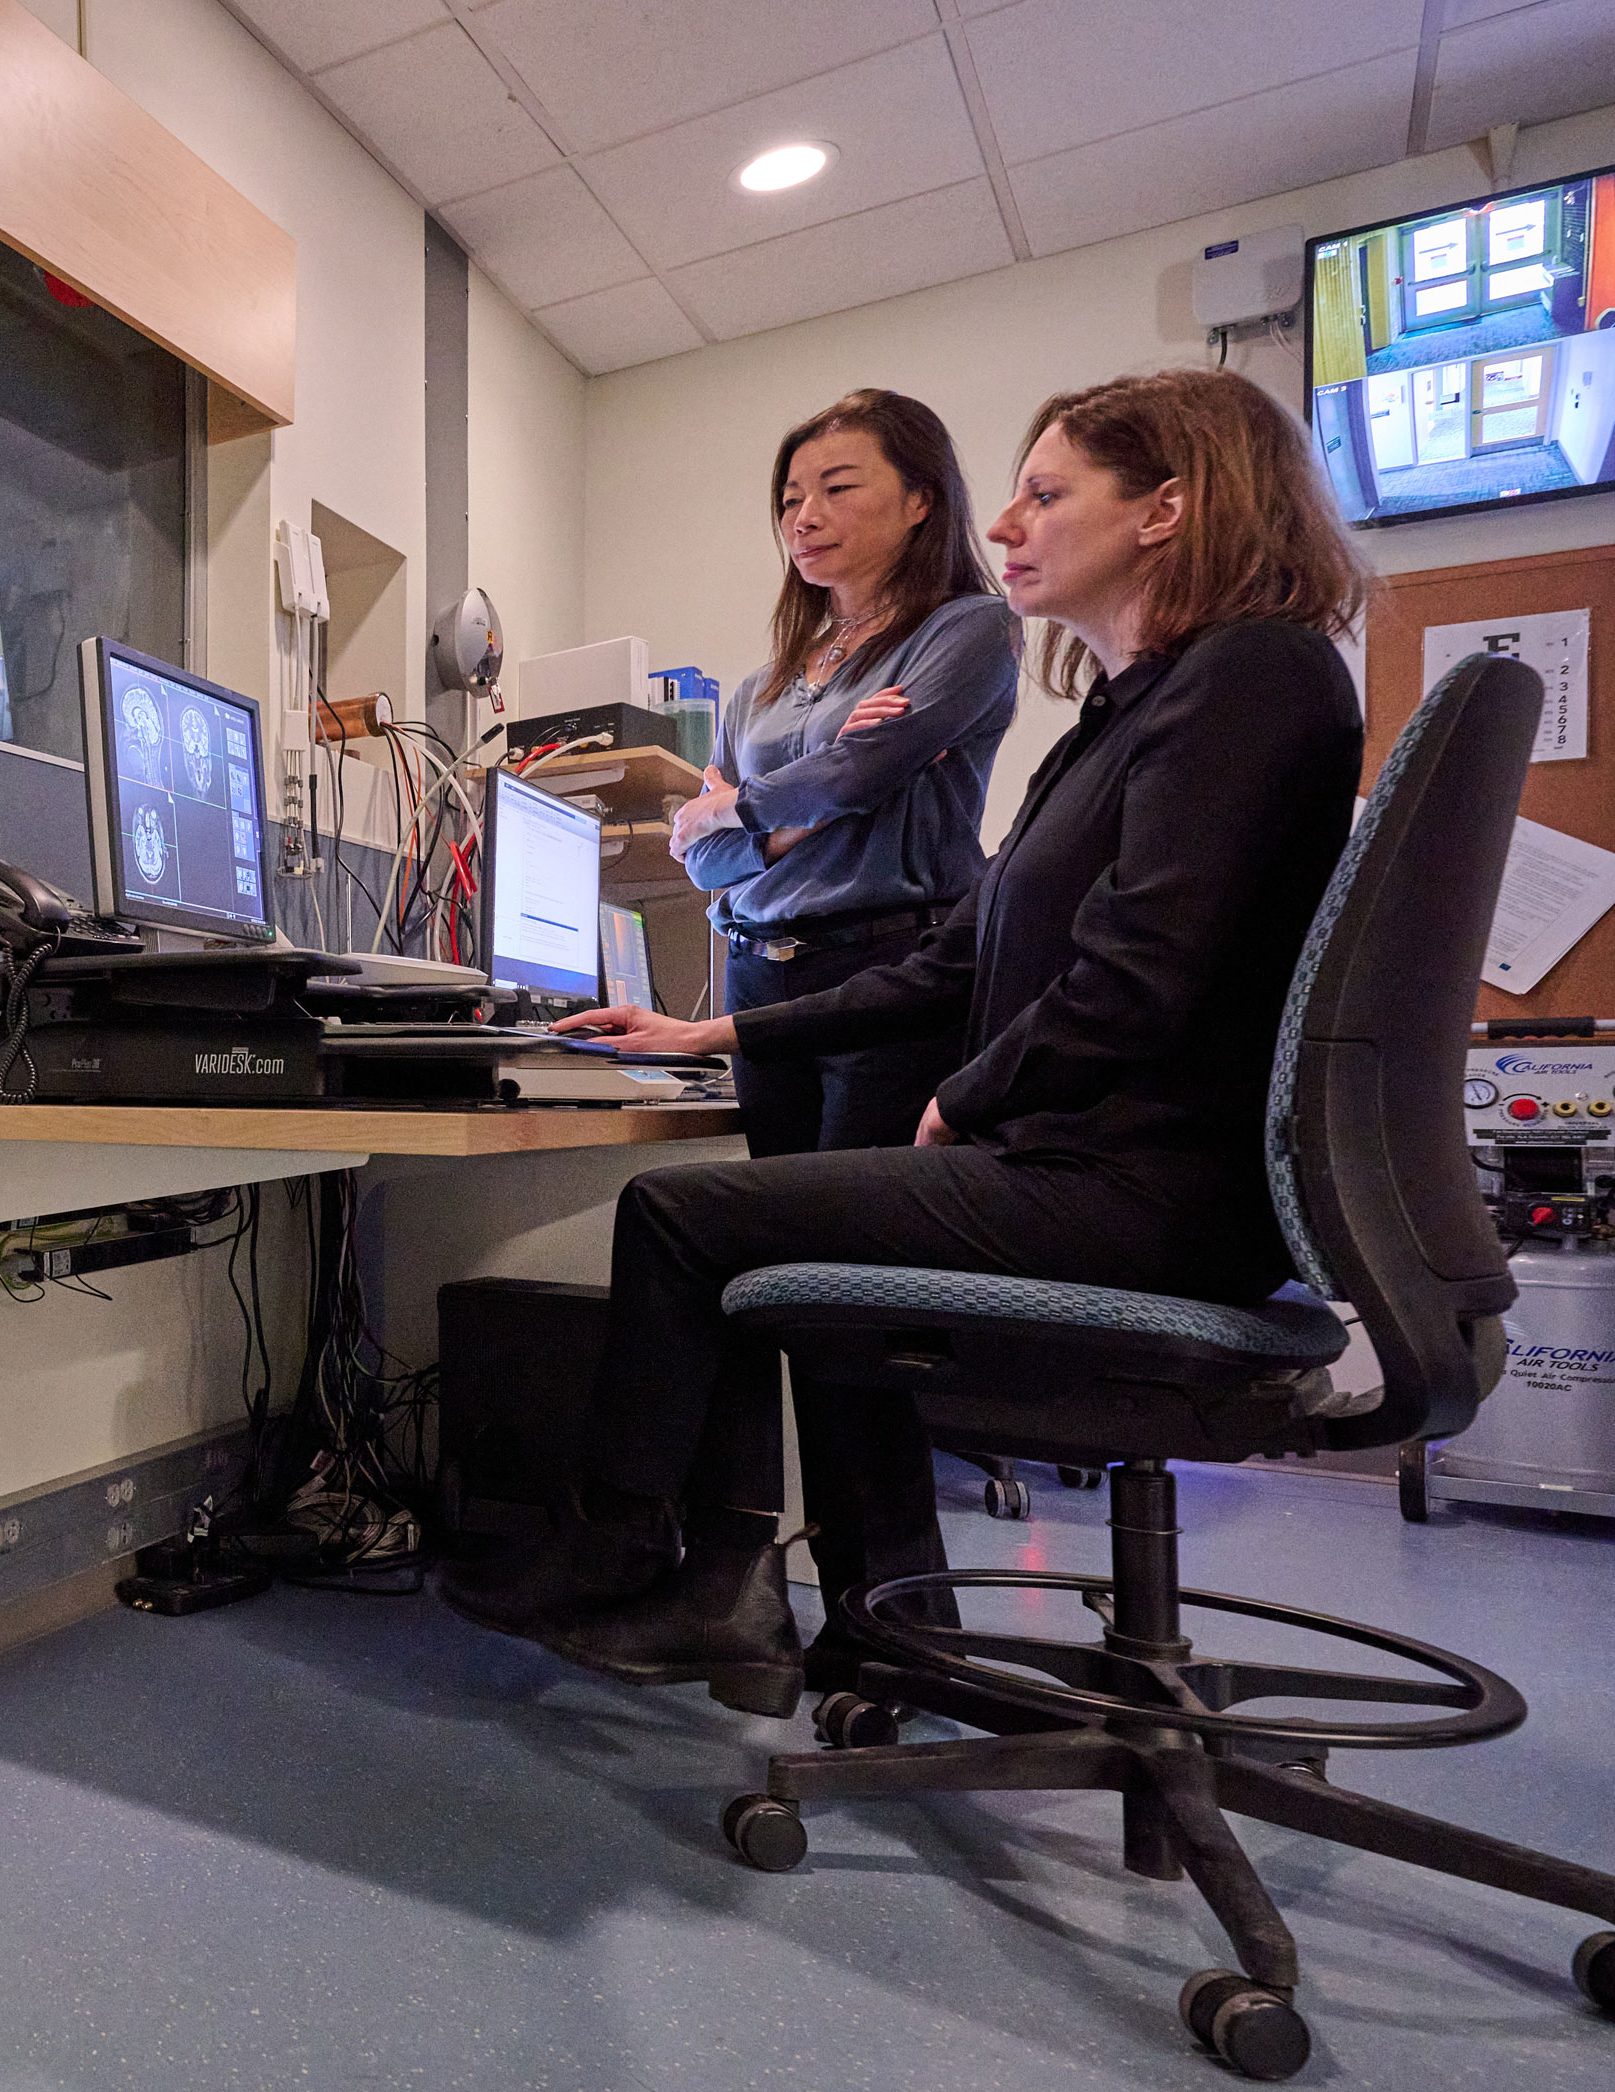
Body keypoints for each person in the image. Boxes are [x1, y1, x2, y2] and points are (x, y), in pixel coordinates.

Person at [454, 366, 1373, 1718]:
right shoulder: (1143, 711)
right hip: (1117, 1167)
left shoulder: (1251, 678)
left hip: (1138, 1189)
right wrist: (718, 1022)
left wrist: (970, 1098)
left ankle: (655, 1573)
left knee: (677, 1215)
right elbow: (964, 951)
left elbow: (1140, 978)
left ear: (1169, 510)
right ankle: (814, 1607)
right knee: (751, 1245)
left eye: (1049, 494)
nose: (1011, 526)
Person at [656, 390, 1021, 1691]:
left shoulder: (969, 630)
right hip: (769, 984)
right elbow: (710, 857)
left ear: (921, 498)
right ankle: (847, 1609)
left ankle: (907, 1628)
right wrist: (757, 817)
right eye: (790, 495)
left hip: (886, 973)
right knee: (798, 1299)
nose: (805, 516)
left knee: (857, 1302)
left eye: (840, 487)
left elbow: (852, 785)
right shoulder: (770, 679)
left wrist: (749, 806)